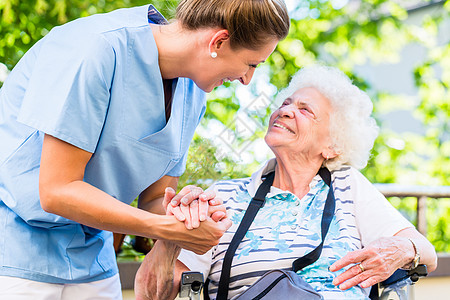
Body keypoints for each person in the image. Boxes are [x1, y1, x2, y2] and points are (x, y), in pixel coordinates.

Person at [0, 1, 290, 299]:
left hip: (92, 259)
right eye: (252, 64)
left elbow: (153, 199)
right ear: (218, 41)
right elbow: (57, 190)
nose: (247, 79)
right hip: (15, 251)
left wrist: (188, 214)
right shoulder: (95, 48)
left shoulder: (192, 93)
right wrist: (166, 228)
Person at [143, 65, 438, 300]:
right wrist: (171, 237)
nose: (285, 110)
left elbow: (426, 252)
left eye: (305, 110)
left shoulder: (349, 186)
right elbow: (152, 294)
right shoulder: (224, 196)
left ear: (333, 145)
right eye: (286, 103)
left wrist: (400, 249)